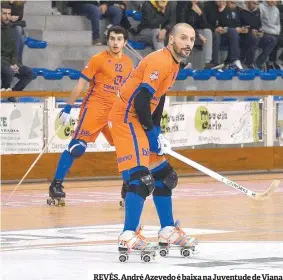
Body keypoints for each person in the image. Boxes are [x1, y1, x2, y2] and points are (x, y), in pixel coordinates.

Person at [108, 23, 198, 261]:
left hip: (141, 118)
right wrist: (150, 132)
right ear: (171, 39)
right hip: (126, 118)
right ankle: (128, 234)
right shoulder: (160, 61)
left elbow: (159, 98)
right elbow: (140, 101)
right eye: (183, 38)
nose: (188, 43)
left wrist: (156, 130)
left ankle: (167, 230)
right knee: (140, 178)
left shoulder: (175, 64)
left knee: (164, 176)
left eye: (191, 39)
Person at [47, 26, 133, 206]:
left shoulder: (128, 63)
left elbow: (128, 90)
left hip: (114, 112)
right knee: (77, 147)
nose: (115, 42)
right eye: (112, 39)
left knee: (125, 148)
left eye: (119, 39)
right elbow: (80, 84)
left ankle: (128, 186)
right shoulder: (97, 59)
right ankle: (56, 184)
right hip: (95, 108)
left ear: (125, 42)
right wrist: (68, 107)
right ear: (107, 40)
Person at [1, 3, 33, 101]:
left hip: (9, 62)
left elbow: (14, 50)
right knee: (9, 71)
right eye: (4, 14)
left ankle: (10, 94)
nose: (7, 17)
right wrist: (9, 65)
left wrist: (14, 63)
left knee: (29, 73)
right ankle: (3, 95)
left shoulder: (12, 28)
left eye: (9, 14)